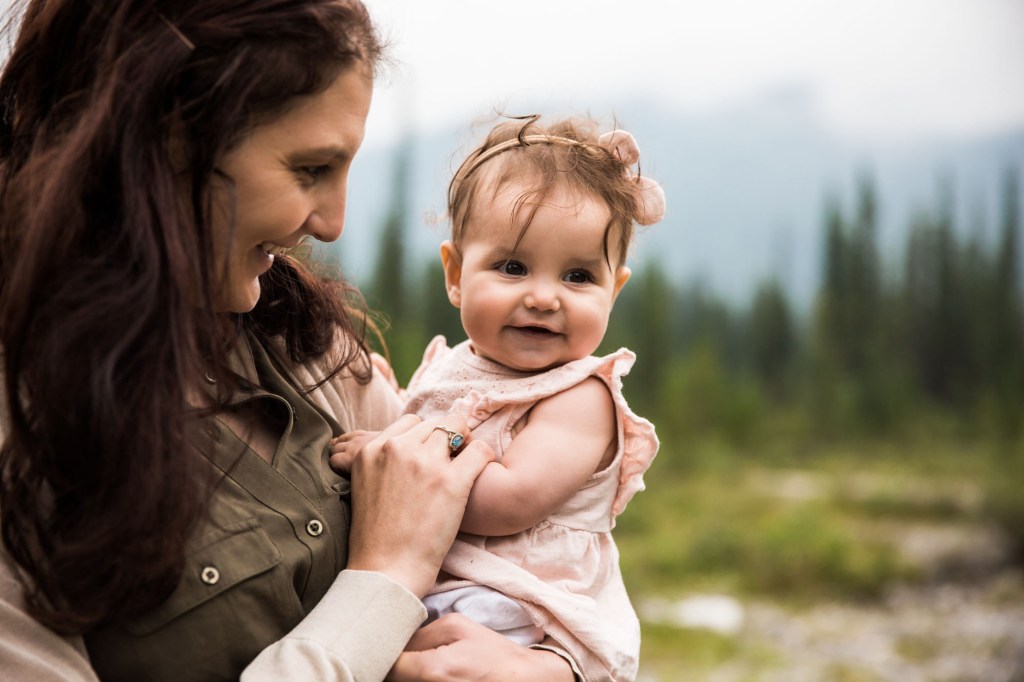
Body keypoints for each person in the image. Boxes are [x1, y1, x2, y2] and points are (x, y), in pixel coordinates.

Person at [0, 1, 580, 680]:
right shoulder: (21, 427)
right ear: (162, 142)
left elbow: (529, 557)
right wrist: (383, 582)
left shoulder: (304, 348)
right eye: (309, 170)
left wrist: (550, 666)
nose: (333, 222)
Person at [331, 115, 665, 681]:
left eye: (579, 276)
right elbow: (439, 418)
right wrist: (388, 399)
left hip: (524, 612)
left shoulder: (579, 396)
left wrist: (388, 449)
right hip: (442, 588)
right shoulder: (455, 365)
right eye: (512, 267)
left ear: (616, 288)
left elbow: (510, 499)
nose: (543, 297)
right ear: (456, 273)